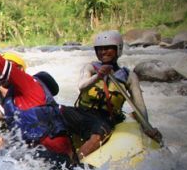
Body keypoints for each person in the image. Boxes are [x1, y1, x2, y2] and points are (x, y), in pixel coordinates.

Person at [0, 29, 76, 170]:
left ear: (19, 70)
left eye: (8, 66)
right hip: (35, 155)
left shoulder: (28, 83)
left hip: (56, 158)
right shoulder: (12, 99)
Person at [61, 30, 162, 159]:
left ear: (118, 49)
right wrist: (99, 76)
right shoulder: (90, 68)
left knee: (100, 131)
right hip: (82, 112)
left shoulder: (129, 76)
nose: (103, 52)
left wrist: (147, 127)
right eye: (100, 49)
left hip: (105, 118)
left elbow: (139, 106)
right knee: (56, 112)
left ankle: (75, 163)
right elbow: (81, 86)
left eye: (108, 48)